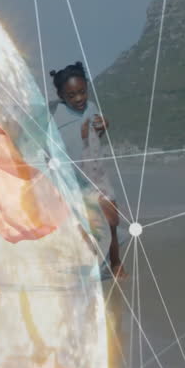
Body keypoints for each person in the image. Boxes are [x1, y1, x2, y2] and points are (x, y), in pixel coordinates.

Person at [49, 61, 127, 279]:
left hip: (97, 175)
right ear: (62, 96)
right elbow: (54, 146)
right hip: (74, 181)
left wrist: (104, 126)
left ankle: (116, 262)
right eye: (71, 95)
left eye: (82, 92)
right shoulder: (56, 115)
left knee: (112, 221)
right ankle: (90, 267)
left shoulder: (91, 107)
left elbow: (94, 139)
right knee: (86, 227)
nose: (79, 99)